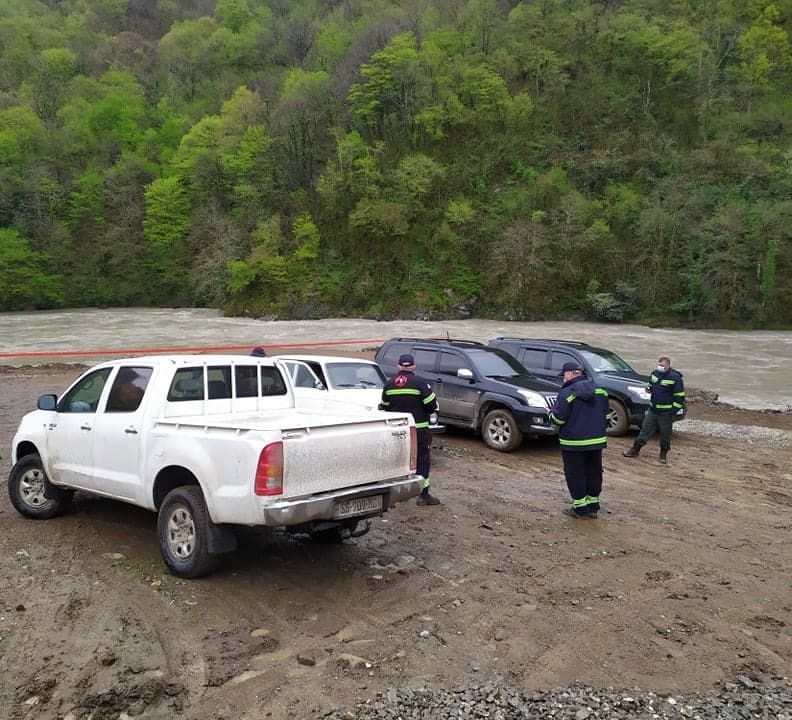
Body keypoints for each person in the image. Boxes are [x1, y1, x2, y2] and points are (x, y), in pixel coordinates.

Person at [549, 361, 612, 519]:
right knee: (594, 472)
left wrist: (550, 413)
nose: (563, 378)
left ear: (569, 374)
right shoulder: (601, 391)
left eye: (564, 375)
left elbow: (559, 420)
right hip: (596, 441)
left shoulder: (566, 393)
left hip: (573, 443)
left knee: (575, 474)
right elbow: (608, 416)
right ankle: (593, 507)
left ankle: (579, 508)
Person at [381, 353, 440, 506]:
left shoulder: (389, 384)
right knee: (422, 461)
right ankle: (423, 495)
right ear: (413, 366)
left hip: (396, 430)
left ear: (399, 366)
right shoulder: (420, 383)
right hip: (418, 430)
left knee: (397, 461)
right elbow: (432, 405)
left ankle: (393, 497)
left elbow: (384, 407)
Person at [623, 356, 685, 463]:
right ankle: (635, 450)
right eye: (658, 365)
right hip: (653, 410)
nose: (659, 367)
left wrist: (672, 411)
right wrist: (648, 388)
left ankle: (663, 455)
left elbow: (679, 397)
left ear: (668, 365)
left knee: (665, 434)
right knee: (644, 431)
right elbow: (650, 385)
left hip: (666, 413)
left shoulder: (675, 378)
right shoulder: (655, 374)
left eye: (662, 366)